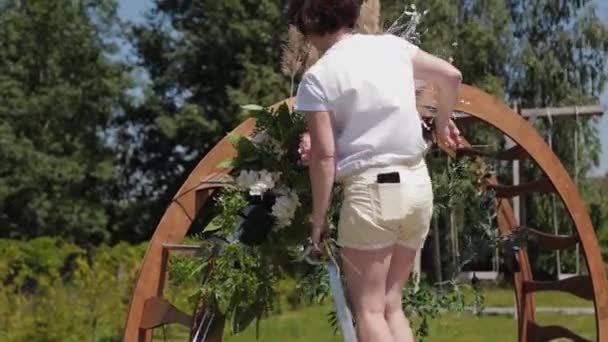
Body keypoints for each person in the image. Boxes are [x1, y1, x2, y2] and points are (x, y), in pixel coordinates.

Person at [287, 0, 462, 341]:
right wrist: (441, 127)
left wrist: (319, 220)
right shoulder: (392, 46)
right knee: (391, 306)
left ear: (306, 25)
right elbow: (451, 76)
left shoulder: (318, 78)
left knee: (368, 310)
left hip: (372, 193)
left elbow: (324, 156)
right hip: (417, 185)